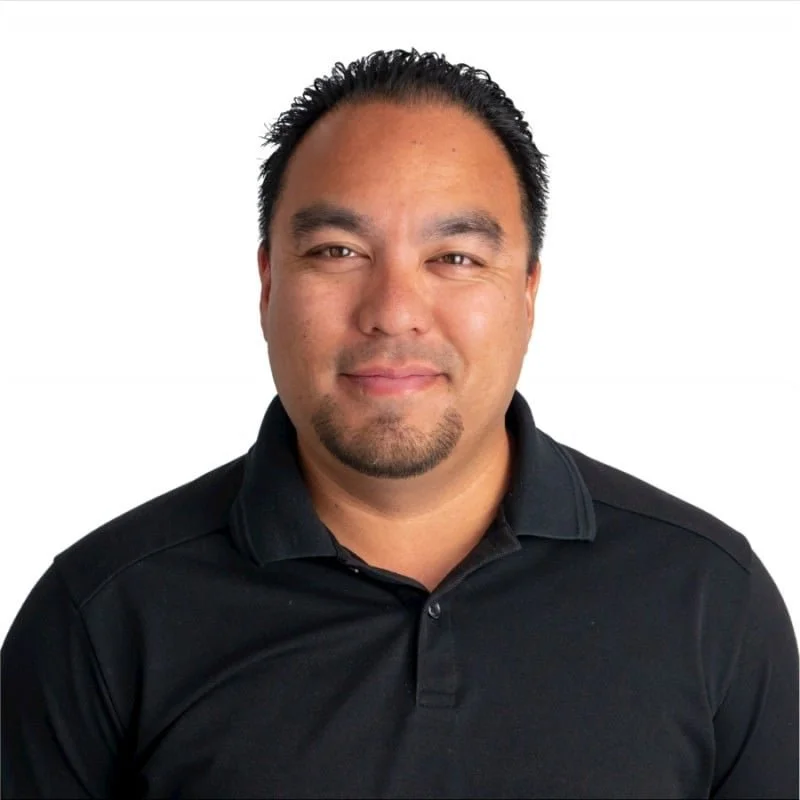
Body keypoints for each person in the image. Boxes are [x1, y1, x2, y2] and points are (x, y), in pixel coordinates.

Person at [2, 48, 797, 799]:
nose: (393, 311)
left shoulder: (709, 601)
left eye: (455, 258)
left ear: (528, 291)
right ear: (267, 282)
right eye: (339, 251)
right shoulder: (101, 617)